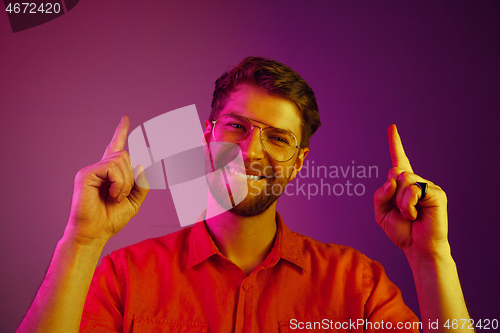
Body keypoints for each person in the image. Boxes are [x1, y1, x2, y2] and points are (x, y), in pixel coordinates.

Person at [17, 57, 472, 333]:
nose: (250, 151)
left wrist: (431, 258)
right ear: (207, 138)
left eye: (277, 138)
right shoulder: (124, 277)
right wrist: (81, 242)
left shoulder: (357, 285)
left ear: (298, 162)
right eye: (237, 126)